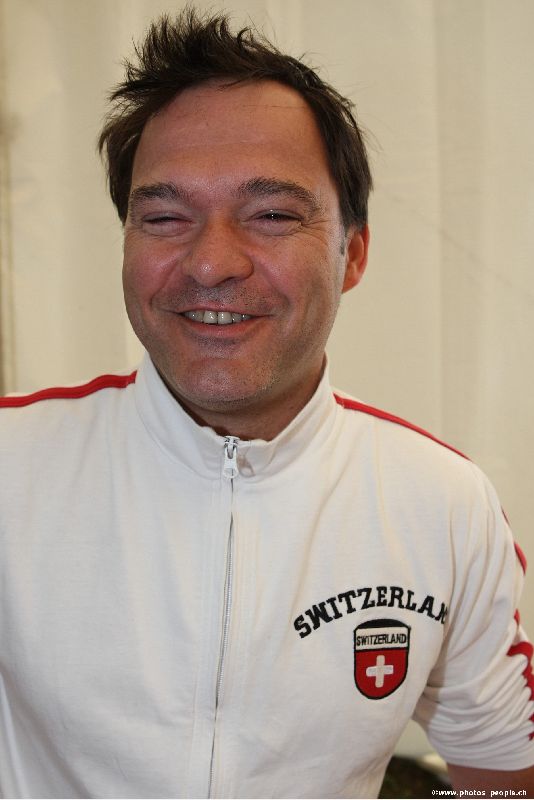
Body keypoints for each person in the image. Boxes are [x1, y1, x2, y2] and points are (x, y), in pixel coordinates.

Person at [0, 9, 533, 798]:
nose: (211, 262)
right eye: (164, 216)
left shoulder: (444, 505)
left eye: (273, 215)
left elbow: (500, 771)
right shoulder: (13, 465)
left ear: (353, 251)